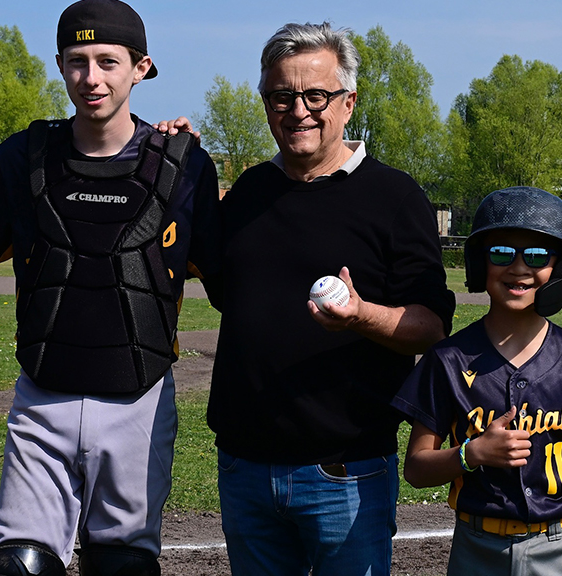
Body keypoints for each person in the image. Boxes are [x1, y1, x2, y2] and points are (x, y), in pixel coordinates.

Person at [0, 1, 221, 574]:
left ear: (141, 68)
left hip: (139, 397)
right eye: (77, 61)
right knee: (18, 565)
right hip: (44, 396)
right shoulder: (24, 157)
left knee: (122, 567)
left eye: (108, 62)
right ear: (60, 65)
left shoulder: (185, 164)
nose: (91, 78)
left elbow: (226, 275)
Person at [203, 22, 455, 575]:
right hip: (244, 467)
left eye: (316, 95)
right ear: (266, 102)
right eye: (281, 97)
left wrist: (361, 315)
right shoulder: (248, 193)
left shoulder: (394, 196)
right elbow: (226, 293)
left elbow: (432, 326)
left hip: (346, 471)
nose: (299, 111)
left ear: (348, 102)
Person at [392, 187, 562, 576]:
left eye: (537, 255)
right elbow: (416, 469)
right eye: (501, 253)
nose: (519, 268)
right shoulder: (448, 360)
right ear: (479, 262)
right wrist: (472, 453)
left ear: (559, 267)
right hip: (476, 549)